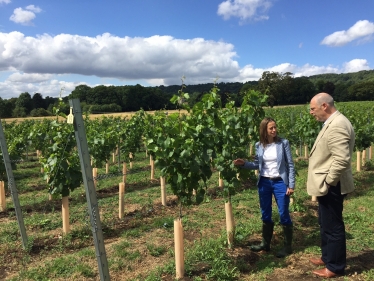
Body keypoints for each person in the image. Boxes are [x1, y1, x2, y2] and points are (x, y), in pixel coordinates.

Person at [307, 93, 355, 278]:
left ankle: (334, 266)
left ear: (324, 106)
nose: (311, 113)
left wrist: (328, 181)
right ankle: (327, 257)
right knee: (325, 222)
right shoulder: (334, 122)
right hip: (329, 184)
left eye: (313, 109)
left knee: (333, 225)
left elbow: (342, 160)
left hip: (332, 185)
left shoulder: (337, 125)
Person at [233, 117, 295, 258]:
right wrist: (244, 163)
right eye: (271, 128)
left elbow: (290, 164)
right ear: (264, 130)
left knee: (283, 212)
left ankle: (287, 246)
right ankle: (265, 244)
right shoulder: (259, 145)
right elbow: (257, 165)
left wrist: (291, 184)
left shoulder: (283, 143)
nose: (274, 130)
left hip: (280, 182)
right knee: (265, 213)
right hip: (264, 183)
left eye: (275, 127)